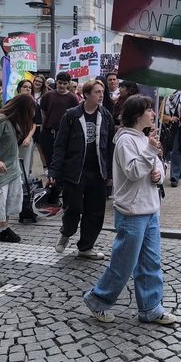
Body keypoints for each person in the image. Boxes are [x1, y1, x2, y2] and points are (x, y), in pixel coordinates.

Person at [83, 95, 176, 325]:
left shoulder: (144, 138)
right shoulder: (125, 141)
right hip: (132, 212)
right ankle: (98, 300)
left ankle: (151, 307)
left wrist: (159, 175)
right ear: (136, 115)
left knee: (151, 262)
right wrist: (150, 152)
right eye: (148, 110)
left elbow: (156, 168)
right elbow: (133, 172)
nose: (153, 113)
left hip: (150, 209)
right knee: (123, 264)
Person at [48, 79, 115, 260]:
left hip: (98, 172)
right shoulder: (72, 115)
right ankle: (66, 232)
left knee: (95, 211)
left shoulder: (106, 116)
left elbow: (110, 147)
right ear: (86, 94)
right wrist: (54, 171)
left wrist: (110, 173)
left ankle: (86, 247)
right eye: (97, 92)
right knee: (73, 207)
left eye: (102, 92)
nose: (101, 95)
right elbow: (60, 145)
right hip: (75, 171)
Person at [0, 93, 36, 256]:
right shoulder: (1, 120)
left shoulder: (13, 120)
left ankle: (3, 230)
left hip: (12, 169)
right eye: (31, 109)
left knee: (10, 201)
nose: (33, 113)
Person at [38, 72, 80, 209]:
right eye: (60, 83)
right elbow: (43, 114)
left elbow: (75, 117)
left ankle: (61, 194)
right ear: (56, 82)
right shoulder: (47, 96)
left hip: (65, 135)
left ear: (68, 84)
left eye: (64, 83)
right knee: (52, 165)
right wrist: (42, 131)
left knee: (63, 166)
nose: (62, 86)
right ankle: (52, 196)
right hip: (49, 133)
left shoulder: (72, 98)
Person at [159, 90, 181, 187]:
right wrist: (170, 119)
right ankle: (180, 171)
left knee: (175, 151)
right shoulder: (166, 98)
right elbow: (160, 115)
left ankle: (174, 177)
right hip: (168, 129)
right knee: (176, 150)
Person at [15, 80, 38, 174]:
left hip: (27, 137)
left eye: (30, 87)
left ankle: (24, 180)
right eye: (25, 87)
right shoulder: (11, 102)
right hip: (13, 136)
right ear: (19, 89)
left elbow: (34, 123)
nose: (28, 89)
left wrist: (28, 137)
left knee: (25, 163)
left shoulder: (34, 105)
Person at [30, 74, 48, 172]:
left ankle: (45, 168)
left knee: (42, 149)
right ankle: (28, 170)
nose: (37, 83)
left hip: (41, 125)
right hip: (30, 124)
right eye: (36, 81)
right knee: (29, 149)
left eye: (40, 82)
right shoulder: (29, 93)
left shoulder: (45, 95)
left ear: (43, 84)